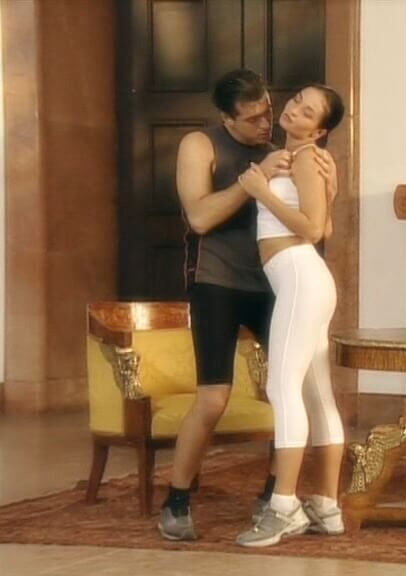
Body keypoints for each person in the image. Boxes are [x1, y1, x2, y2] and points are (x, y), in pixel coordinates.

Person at [158, 69, 336, 541]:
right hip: (216, 280)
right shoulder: (201, 144)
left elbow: (315, 225)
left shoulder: (287, 148)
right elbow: (199, 217)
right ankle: (177, 498)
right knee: (213, 398)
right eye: (253, 118)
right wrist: (252, 182)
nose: (265, 124)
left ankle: (275, 495)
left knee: (290, 388)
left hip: (274, 283)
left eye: (268, 112)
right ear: (227, 118)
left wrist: (329, 189)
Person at [234, 84, 346, 547]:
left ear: (318, 130)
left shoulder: (304, 157)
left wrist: (261, 191)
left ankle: (283, 507)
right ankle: (327, 507)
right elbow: (325, 223)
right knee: (317, 395)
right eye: (298, 99)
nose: (295, 109)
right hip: (305, 280)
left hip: (300, 278)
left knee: (283, 389)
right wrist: (329, 192)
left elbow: (314, 230)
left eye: (309, 111)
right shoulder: (300, 157)